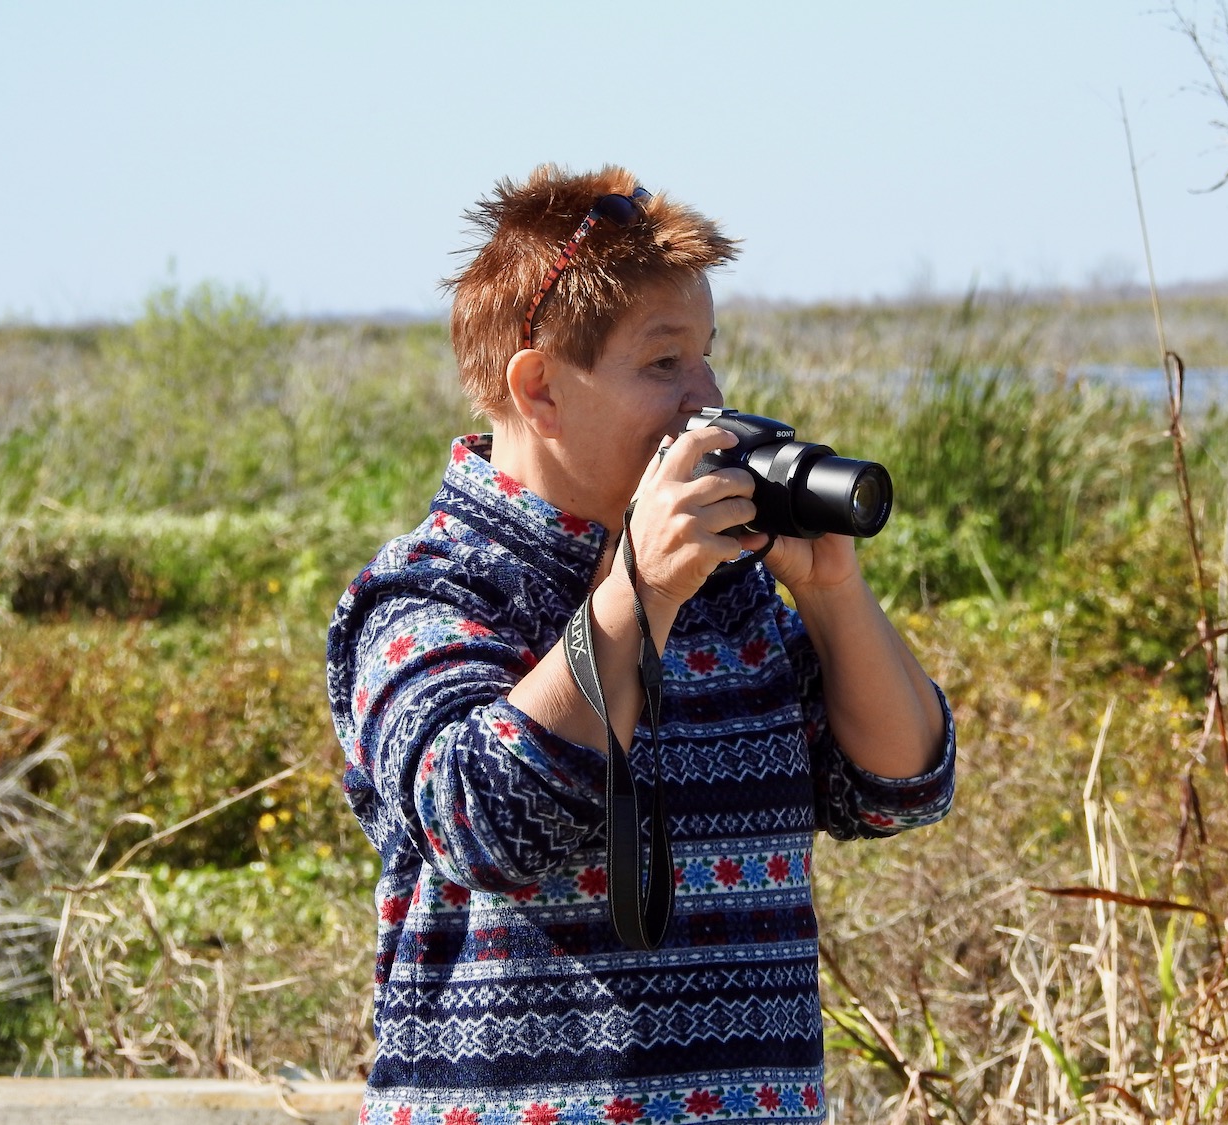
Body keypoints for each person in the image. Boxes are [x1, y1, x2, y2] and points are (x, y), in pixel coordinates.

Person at [326, 164, 955, 1124]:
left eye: (707, 356)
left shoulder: (730, 592)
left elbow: (899, 787)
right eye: (664, 364)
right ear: (539, 389)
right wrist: (641, 591)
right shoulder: (429, 591)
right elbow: (482, 822)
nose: (707, 397)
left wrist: (833, 593)